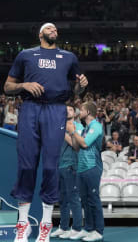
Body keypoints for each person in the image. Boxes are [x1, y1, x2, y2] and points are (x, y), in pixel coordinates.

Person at [4, 22, 88, 242]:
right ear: (40, 33)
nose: (54, 31)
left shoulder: (69, 57)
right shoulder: (25, 55)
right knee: (26, 165)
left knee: (51, 166)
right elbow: (7, 87)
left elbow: (77, 89)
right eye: (50, 28)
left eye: (56, 29)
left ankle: (46, 224)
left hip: (56, 110)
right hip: (30, 108)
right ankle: (23, 224)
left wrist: (82, 85)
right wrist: (24, 85)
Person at [66, 102, 104, 242]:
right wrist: (71, 132)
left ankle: (98, 231)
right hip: (81, 168)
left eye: (81, 109)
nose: (79, 111)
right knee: (85, 201)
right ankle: (89, 228)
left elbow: (85, 144)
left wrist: (74, 132)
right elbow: (77, 147)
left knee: (94, 199)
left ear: (88, 112)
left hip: (93, 167)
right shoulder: (87, 127)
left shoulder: (96, 126)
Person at [51, 105, 84, 239]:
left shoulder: (79, 126)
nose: (66, 111)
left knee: (73, 199)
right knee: (62, 200)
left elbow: (76, 145)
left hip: (72, 165)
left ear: (75, 113)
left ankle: (76, 228)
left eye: (70, 109)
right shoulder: (59, 127)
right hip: (60, 165)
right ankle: (63, 227)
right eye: (65, 109)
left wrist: (64, 132)